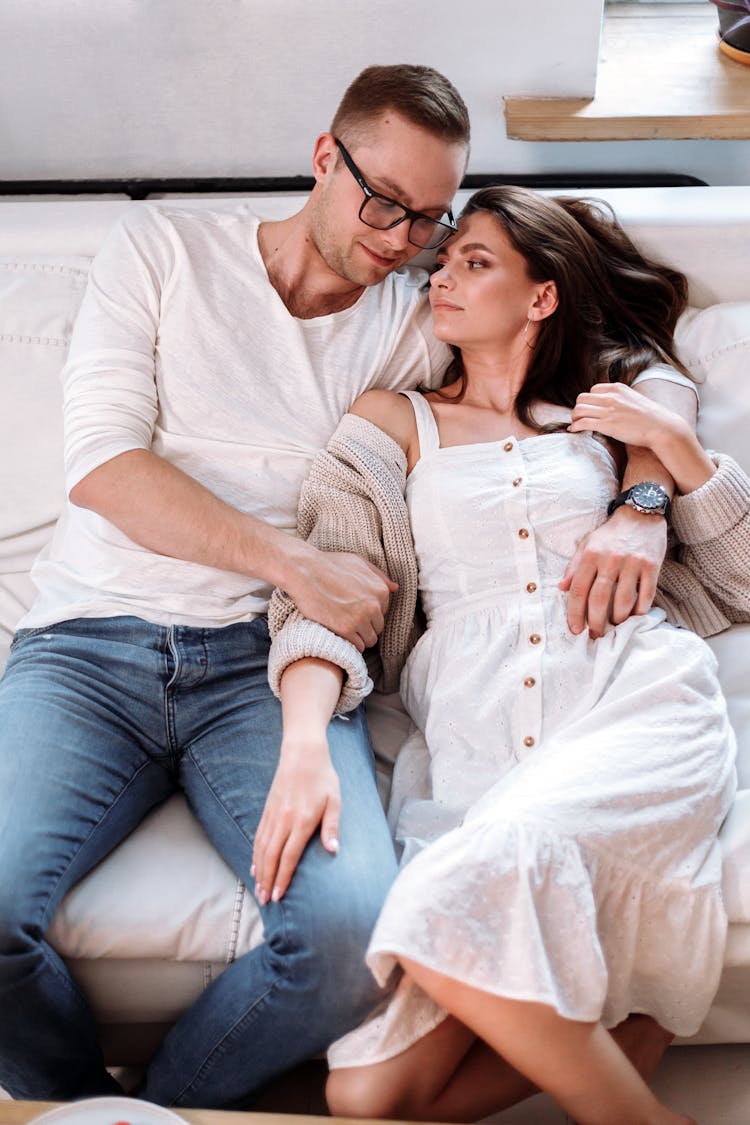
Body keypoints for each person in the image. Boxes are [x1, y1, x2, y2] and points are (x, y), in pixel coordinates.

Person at [0, 64, 470, 1106]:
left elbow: (604, 338)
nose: (400, 240)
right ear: (323, 158)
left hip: (270, 668)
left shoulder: (412, 321)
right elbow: (105, 469)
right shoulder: (164, 249)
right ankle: (77, 1099)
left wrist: (647, 496)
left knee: (350, 943)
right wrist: (294, 559)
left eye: (430, 221)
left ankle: (153, 1110)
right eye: (383, 203)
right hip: (88, 646)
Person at [258, 187, 743, 1125]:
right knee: (365, 1094)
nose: (440, 275)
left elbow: (743, 578)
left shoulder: (608, 413)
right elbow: (323, 586)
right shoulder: (392, 420)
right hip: (483, 736)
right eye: (442, 262)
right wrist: (304, 734)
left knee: (452, 897)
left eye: (475, 262)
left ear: (542, 297)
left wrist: (660, 477)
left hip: (629, 698)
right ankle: (632, 1056)